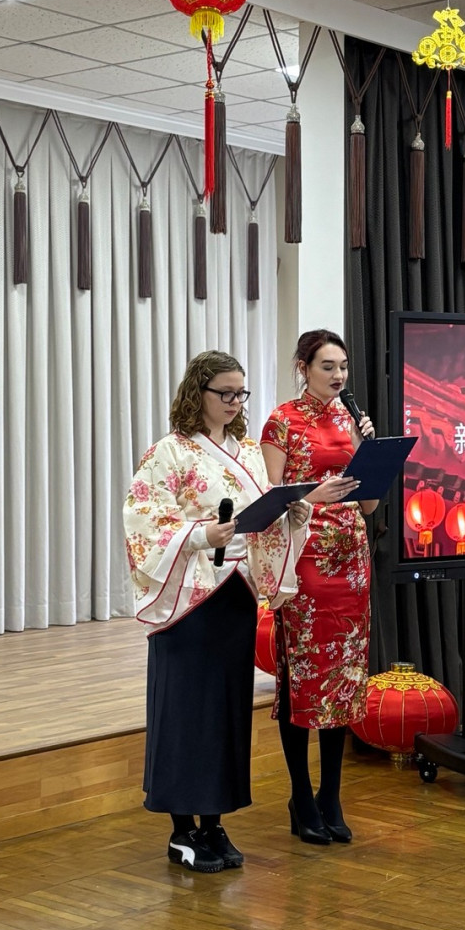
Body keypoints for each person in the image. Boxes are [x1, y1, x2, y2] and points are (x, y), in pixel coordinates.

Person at [123, 351, 310, 872]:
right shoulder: (168, 452)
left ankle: (214, 822)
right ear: (198, 393)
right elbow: (143, 521)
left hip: (235, 593)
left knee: (225, 710)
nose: (234, 402)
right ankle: (181, 828)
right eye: (224, 393)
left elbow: (262, 514)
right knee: (185, 711)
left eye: (240, 393)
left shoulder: (247, 452)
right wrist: (200, 535)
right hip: (189, 599)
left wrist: (291, 513)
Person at [261, 329, 379, 845]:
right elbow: (269, 501)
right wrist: (316, 494)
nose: (338, 375)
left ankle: (331, 794)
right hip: (306, 558)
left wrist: (367, 447)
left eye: (343, 367)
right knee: (305, 677)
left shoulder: (352, 420)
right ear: (303, 368)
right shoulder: (281, 421)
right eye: (328, 366)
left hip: (352, 559)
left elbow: (369, 505)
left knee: (343, 678)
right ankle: (300, 796)